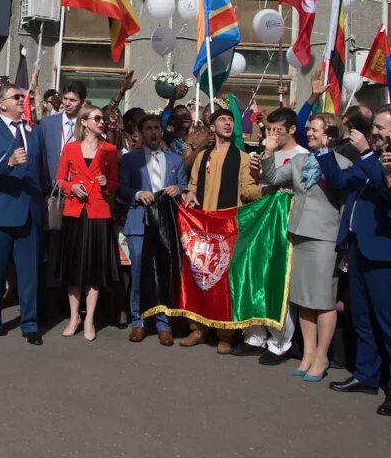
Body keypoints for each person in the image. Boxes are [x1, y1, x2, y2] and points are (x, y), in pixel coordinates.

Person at [322, 103, 391, 417]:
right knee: (362, 316)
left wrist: (368, 156)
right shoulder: (371, 157)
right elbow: (343, 180)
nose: (372, 133)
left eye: (379, 129)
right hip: (361, 246)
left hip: (390, 251)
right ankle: (366, 373)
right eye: (373, 129)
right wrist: (326, 150)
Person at [261, 112, 346, 381]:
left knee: (323, 300)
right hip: (298, 233)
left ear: (330, 134)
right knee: (303, 299)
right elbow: (273, 178)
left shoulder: (342, 163)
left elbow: (345, 204)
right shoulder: (299, 160)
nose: (309, 133)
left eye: (316, 130)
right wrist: (268, 152)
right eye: (308, 129)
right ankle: (307, 354)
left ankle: (322, 356)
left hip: (325, 237)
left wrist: (345, 244)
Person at [179, 107, 260, 351]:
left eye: (230, 120)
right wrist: (189, 193)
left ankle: (225, 335)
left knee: (225, 280)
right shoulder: (202, 157)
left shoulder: (244, 157)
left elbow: (248, 190)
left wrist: (266, 190)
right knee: (201, 276)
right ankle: (198, 329)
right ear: (212, 127)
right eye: (222, 119)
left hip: (227, 228)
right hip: (202, 227)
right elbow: (192, 185)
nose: (227, 123)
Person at [0, 84, 45, 345]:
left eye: (23, 97)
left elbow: (42, 170)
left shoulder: (33, 131)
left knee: (29, 273)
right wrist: (8, 163)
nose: (22, 101)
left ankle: (31, 323)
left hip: (29, 210)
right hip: (0, 210)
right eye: (17, 97)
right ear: (1, 104)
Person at [240, 108, 306, 364]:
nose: (272, 135)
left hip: (285, 225)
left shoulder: (302, 156)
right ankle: (256, 334)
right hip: (263, 222)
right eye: (269, 130)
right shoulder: (268, 154)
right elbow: (261, 188)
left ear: (291, 130)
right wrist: (257, 173)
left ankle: (280, 342)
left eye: (277, 130)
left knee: (280, 281)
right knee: (257, 275)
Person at [118, 114, 186, 345]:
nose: (153, 133)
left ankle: (163, 322)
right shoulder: (130, 160)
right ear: (140, 133)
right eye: (148, 128)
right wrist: (137, 194)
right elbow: (122, 189)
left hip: (166, 223)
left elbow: (186, 186)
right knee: (138, 272)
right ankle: (138, 322)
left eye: (157, 128)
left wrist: (178, 188)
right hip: (139, 221)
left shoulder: (175, 160)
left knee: (164, 273)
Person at [54, 102, 120, 341]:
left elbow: (115, 184)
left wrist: (106, 183)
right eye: (96, 118)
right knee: (74, 269)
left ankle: (90, 318)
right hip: (75, 213)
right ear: (84, 122)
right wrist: (72, 187)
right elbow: (59, 179)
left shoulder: (110, 149)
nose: (101, 122)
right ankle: (74, 317)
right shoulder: (70, 149)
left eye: (102, 119)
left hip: (99, 213)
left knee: (94, 269)